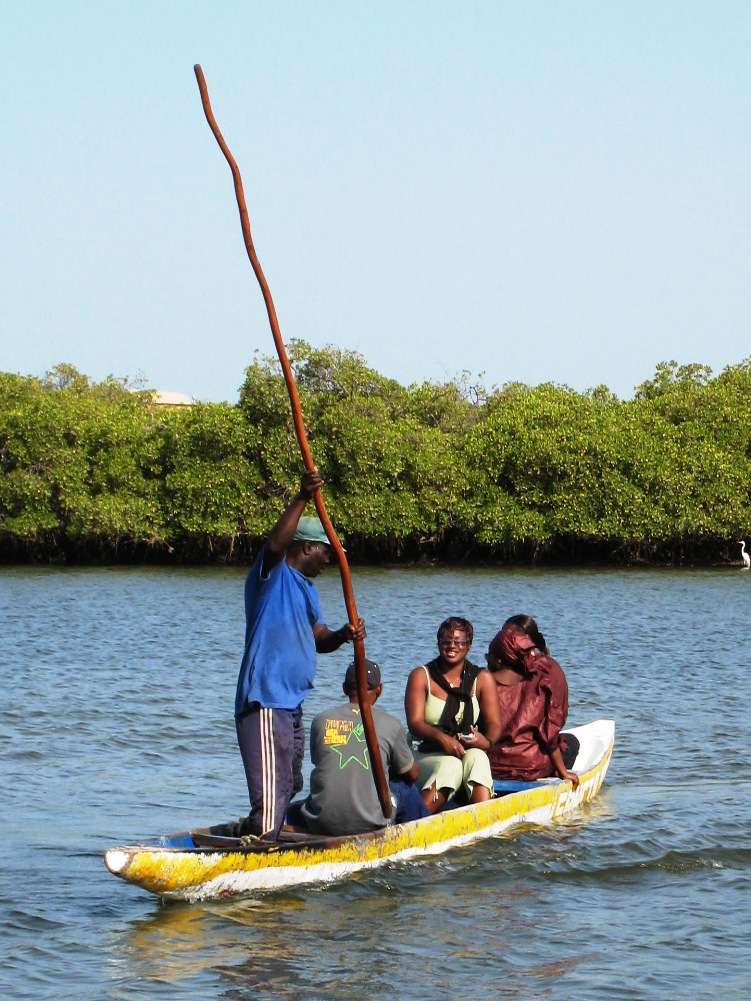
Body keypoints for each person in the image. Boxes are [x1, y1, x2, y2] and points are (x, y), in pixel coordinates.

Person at [234, 468, 366, 841]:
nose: (328, 561)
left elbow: (318, 636)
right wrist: (303, 496)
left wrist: (342, 635)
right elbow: (276, 544)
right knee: (271, 793)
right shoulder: (272, 575)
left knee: (290, 783)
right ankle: (260, 847)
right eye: (326, 553)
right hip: (266, 700)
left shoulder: (307, 589)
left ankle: (263, 834)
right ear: (307, 547)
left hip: (291, 704)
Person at [290, 659, 429, 836]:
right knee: (405, 787)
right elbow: (411, 774)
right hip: (370, 823)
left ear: (344, 688)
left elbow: (320, 761)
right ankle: (423, 834)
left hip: (320, 820)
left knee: (297, 807)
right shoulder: (391, 724)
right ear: (380, 689)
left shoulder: (320, 720)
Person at [405, 617, 502, 814]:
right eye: (445, 641)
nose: (451, 646)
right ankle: (415, 820)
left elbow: (494, 723)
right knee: (451, 766)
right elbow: (415, 723)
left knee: (478, 758)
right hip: (426, 752)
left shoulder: (482, 678)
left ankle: (484, 821)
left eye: (459, 642)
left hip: (465, 750)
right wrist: (442, 739)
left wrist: (486, 741)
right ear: (438, 643)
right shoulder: (421, 675)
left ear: (469, 646)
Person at [485, 617, 580, 789]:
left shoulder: (484, 678)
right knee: (571, 742)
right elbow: (550, 732)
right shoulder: (547, 670)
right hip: (531, 766)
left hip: (491, 765)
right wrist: (562, 771)